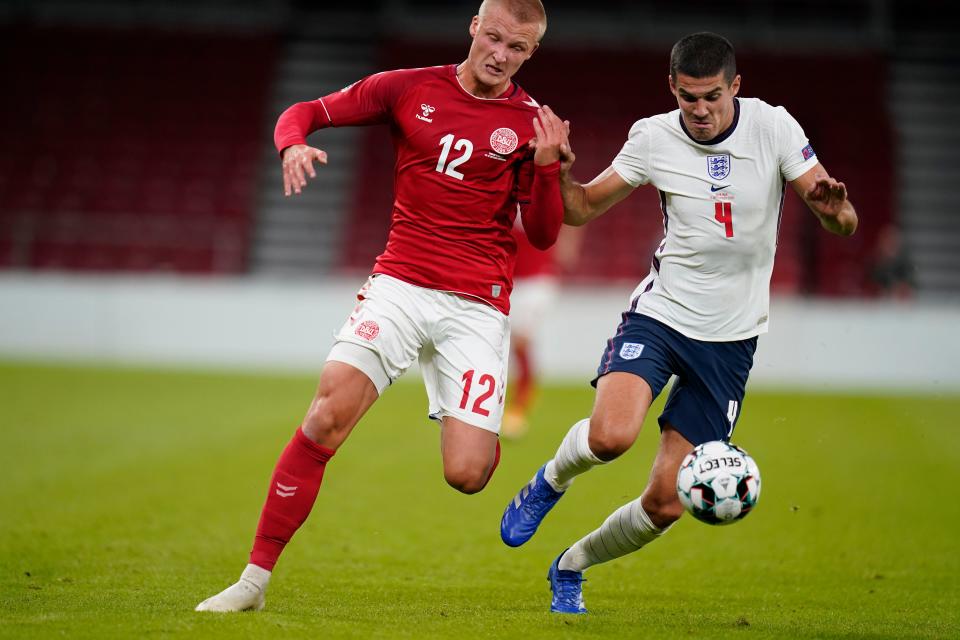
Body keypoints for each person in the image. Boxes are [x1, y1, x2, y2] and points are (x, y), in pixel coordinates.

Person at [196, 0, 568, 612]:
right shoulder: (405, 87)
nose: (501, 55)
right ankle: (253, 581)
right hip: (399, 285)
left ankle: (483, 423)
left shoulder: (534, 126)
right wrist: (292, 145)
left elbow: (547, 234)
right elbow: (305, 112)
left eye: (517, 48)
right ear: (474, 27)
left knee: (467, 474)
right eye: (494, 37)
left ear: (532, 53)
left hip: (477, 307)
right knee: (324, 416)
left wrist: (549, 167)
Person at [499, 32, 858, 614]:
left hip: (731, 340)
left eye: (712, 96)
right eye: (689, 97)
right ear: (672, 88)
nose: (701, 110)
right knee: (610, 437)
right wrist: (561, 176)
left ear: (735, 87)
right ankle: (547, 482)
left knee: (666, 503)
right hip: (661, 315)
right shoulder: (652, 136)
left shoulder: (775, 128)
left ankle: (571, 566)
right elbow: (583, 208)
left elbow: (841, 222)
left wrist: (835, 206)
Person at [502, 222, 583, 439]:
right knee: (503, 345)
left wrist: (568, 243)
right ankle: (497, 405)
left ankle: (518, 410)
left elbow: (570, 211)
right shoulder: (503, 189)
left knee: (520, 341)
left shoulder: (541, 188)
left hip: (537, 281)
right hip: (507, 279)